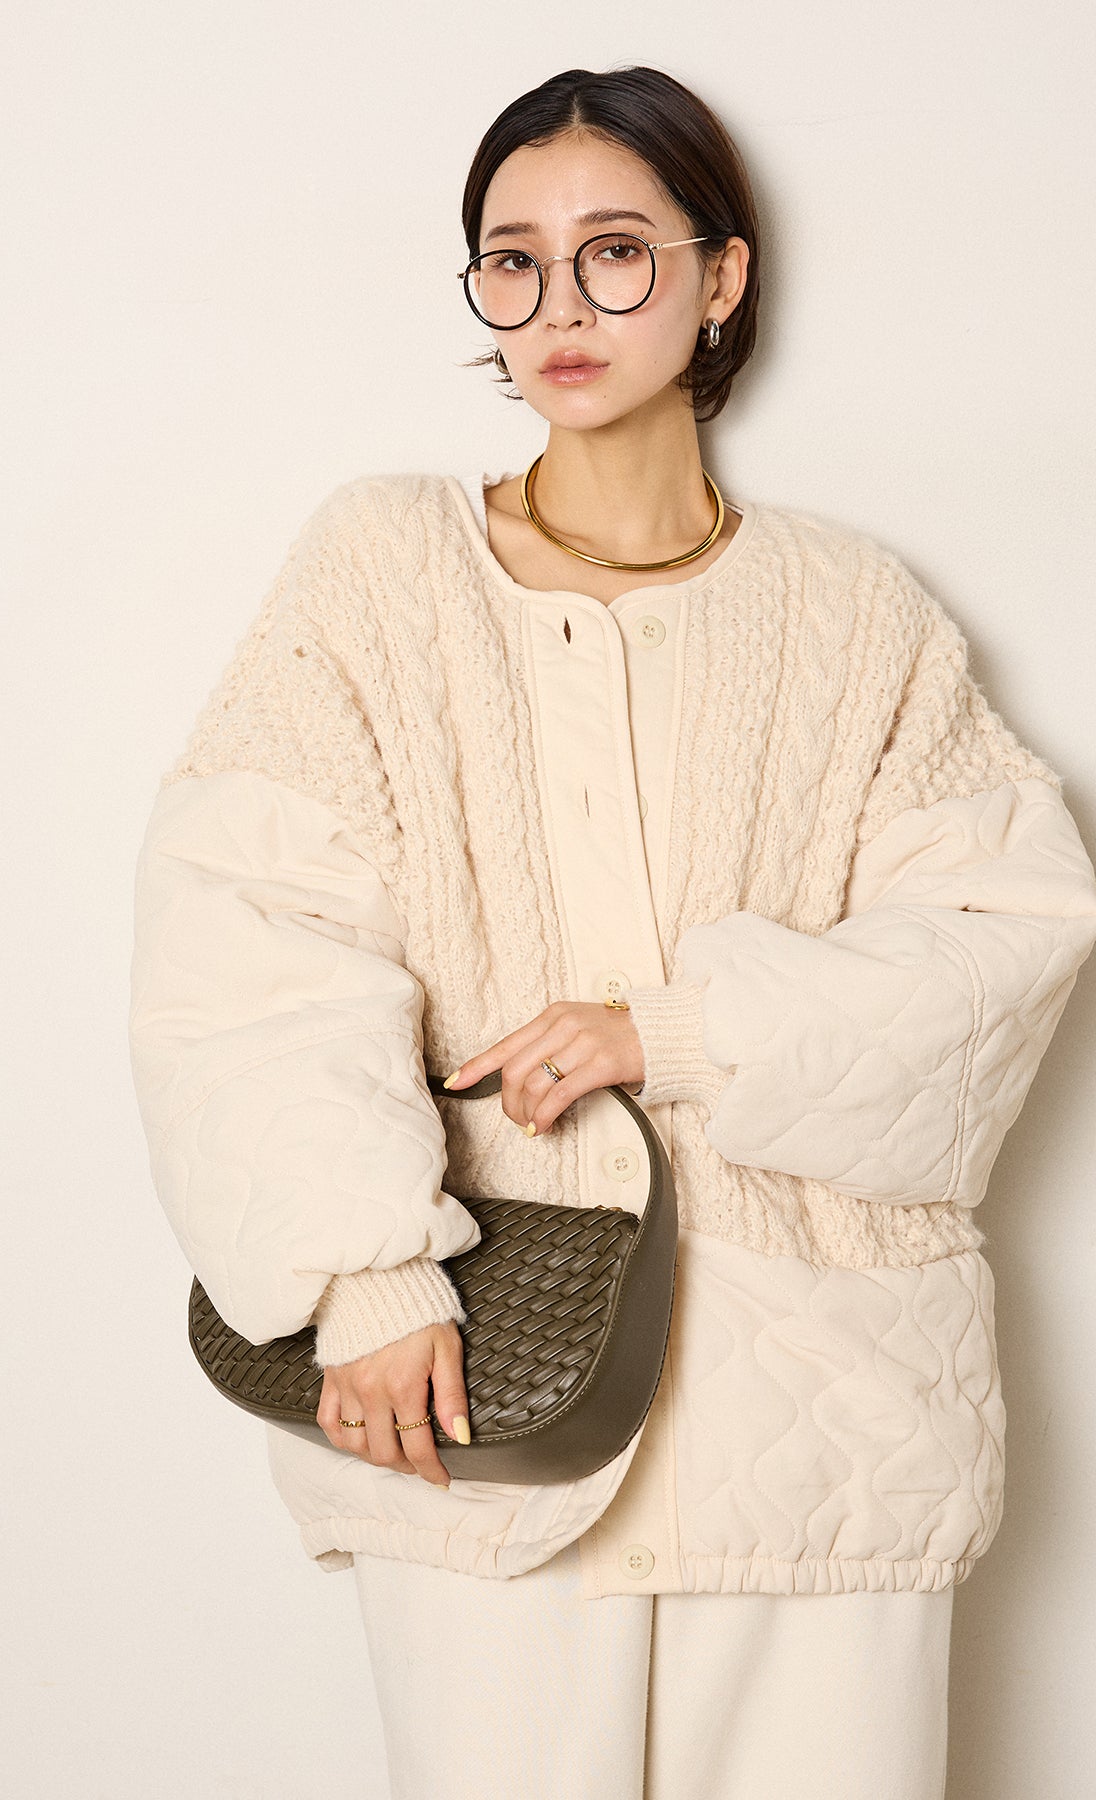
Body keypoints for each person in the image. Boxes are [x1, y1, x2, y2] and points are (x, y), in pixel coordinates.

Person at [127, 64, 1096, 1800]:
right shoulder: (383, 570)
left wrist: (679, 1033)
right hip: (477, 1388)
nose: (559, 306)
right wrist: (364, 1274)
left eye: (616, 252)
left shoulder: (854, 612)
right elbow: (248, 933)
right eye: (513, 261)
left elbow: (1003, 933)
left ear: (722, 277)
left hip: (822, 1418)